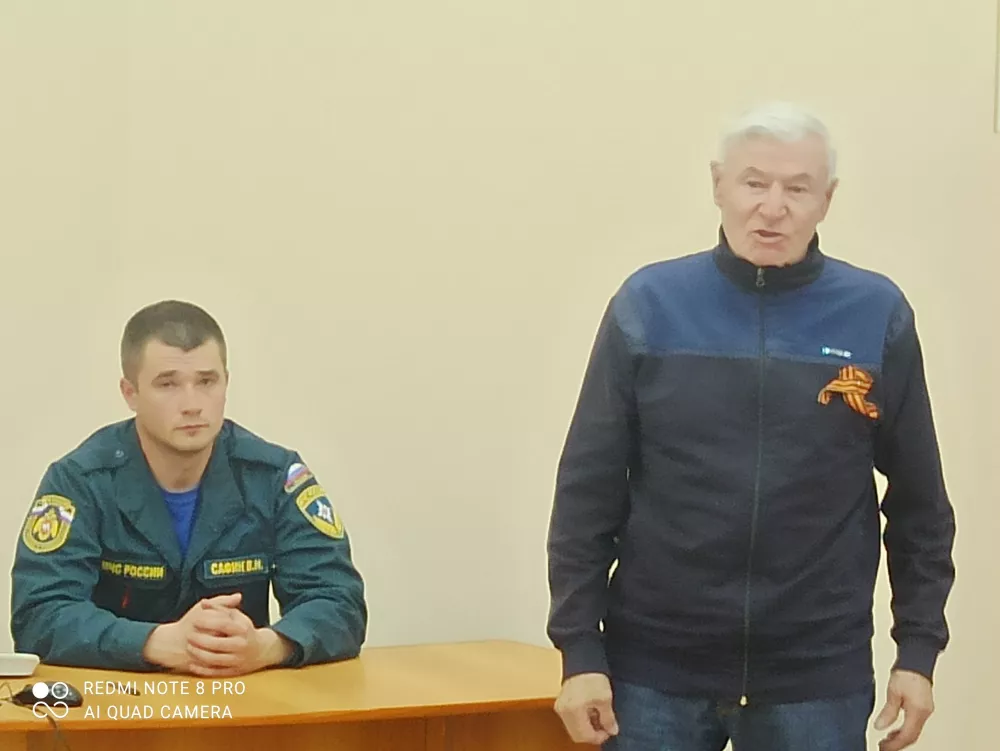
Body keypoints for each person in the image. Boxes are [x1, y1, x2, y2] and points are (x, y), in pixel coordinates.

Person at [546, 102, 956, 751]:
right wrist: (579, 651)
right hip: (653, 677)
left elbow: (920, 506)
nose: (773, 207)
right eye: (754, 182)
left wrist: (919, 652)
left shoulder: (876, 315)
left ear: (827, 199)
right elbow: (586, 492)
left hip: (815, 681)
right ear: (719, 184)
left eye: (797, 188)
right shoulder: (648, 307)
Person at [10, 300, 368, 676]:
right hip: (116, 700)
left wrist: (266, 646)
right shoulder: (81, 481)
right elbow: (39, 615)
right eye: (168, 384)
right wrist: (155, 643)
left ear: (226, 383)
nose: (192, 405)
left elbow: (339, 602)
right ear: (130, 393)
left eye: (206, 382)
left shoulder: (273, 476)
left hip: (243, 698)